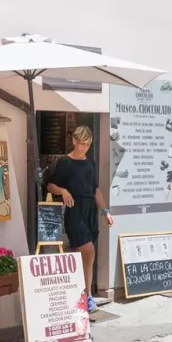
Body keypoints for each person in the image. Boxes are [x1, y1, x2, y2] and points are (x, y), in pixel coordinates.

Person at [42, 126, 113, 298]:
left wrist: (105, 211)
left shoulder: (90, 162)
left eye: (87, 144)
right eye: (81, 143)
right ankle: (87, 295)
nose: (84, 147)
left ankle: (80, 292)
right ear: (74, 141)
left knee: (85, 253)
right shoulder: (65, 163)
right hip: (74, 210)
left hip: (90, 211)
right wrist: (64, 191)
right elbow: (50, 186)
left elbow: (95, 190)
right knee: (88, 251)